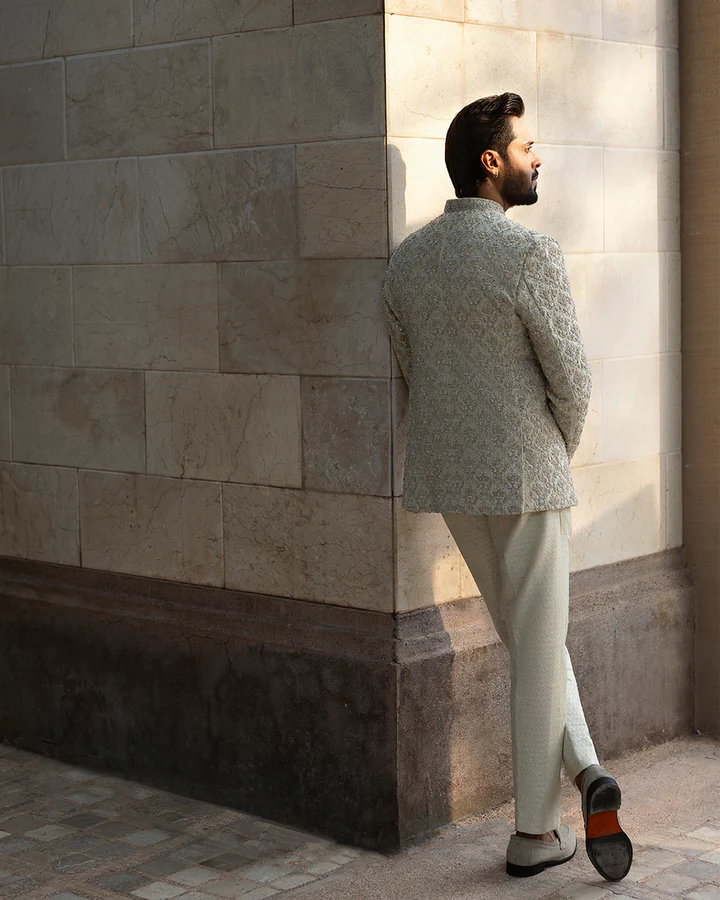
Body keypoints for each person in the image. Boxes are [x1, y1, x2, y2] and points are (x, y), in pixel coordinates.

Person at [382, 92, 633, 881]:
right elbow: (573, 379)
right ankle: (534, 834)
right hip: (528, 477)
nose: (537, 157)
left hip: (453, 481)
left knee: (532, 638)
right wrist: (555, 451)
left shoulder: (406, 264)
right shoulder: (530, 254)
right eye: (527, 147)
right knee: (536, 648)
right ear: (490, 162)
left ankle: (588, 771)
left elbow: (410, 370)